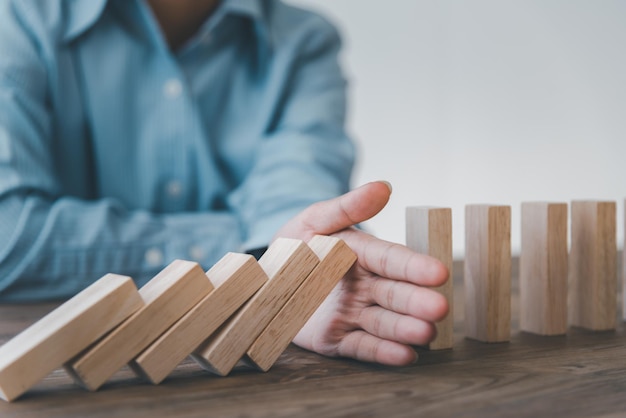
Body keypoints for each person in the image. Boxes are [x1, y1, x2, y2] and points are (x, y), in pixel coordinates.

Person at [0, 0, 448, 366]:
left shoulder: (303, 41)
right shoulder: (17, 19)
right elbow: (9, 234)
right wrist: (264, 256)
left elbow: (298, 198)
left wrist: (293, 269)